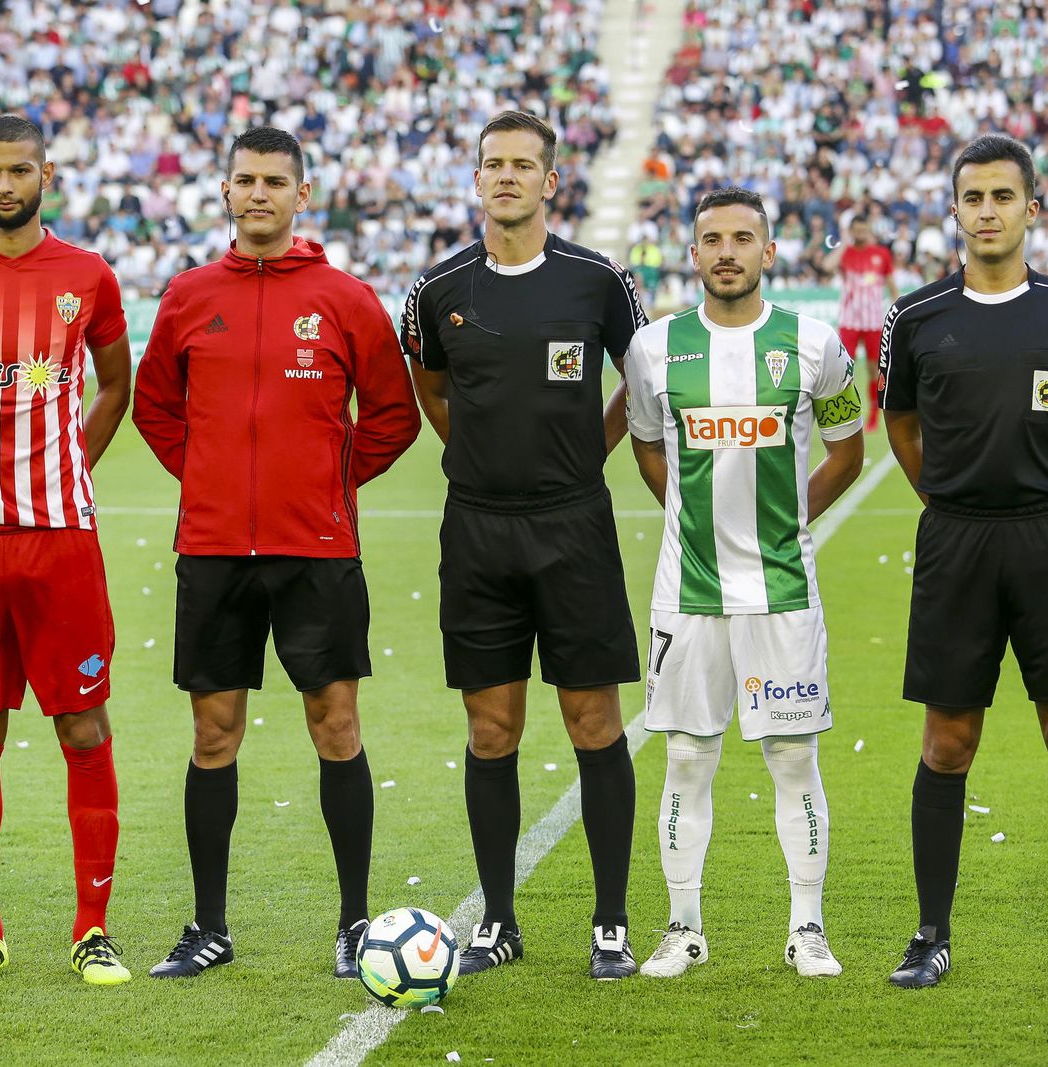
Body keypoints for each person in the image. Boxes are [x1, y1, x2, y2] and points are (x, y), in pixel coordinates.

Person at [133, 126, 421, 980]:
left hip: (316, 550)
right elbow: (155, 408)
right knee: (213, 732)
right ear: (225, 193)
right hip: (215, 547)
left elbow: (392, 416)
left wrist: (327, 486)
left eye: (274, 182)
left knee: (335, 724)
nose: (258, 194)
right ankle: (208, 926)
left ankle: (354, 923)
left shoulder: (345, 297)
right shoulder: (188, 294)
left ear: (303, 195)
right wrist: (213, 479)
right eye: (244, 180)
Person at [880, 134, 1048, 989]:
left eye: (1002, 195)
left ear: (1034, 206)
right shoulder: (916, 318)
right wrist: (949, 504)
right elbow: (902, 429)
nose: (987, 211)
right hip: (954, 542)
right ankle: (930, 934)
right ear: (952, 210)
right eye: (972, 197)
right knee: (948, 741)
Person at [400, 110, 649, 980]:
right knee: (492, 725)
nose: (506, 177)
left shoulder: (598, 282)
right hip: (476, 529)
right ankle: (498, 920)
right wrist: (471, 451)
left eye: (523, 166)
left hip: (574, 525)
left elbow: (642, 378)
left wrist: (593, 448)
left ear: (552, 183)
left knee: (592, 719)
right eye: (492, 165)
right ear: (476, 180)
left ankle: (611, 921)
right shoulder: (438, 291)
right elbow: (431, 386)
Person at [610, 187, 864, 980]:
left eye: (742, 238)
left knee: (793, 757)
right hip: (685, 593)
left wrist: (790, 523)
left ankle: (808, 929)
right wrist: (685, 516)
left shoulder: (814, 343)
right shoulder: (653, 349)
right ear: (692, 253)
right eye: (712, 239)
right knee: (685, 755)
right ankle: (684, 929)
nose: (727, 251)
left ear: (769, 251)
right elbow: (646, 446)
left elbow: (848, 447)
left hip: (783, 592)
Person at [0, 115, 134, 987]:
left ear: (49, 173)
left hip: (61, 537)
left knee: (82, 721)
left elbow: (114, 380)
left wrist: (70, 461)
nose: (4, 185)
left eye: (19, 170)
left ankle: (92, 926)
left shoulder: (88, 276)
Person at [827, 214, 896, 431]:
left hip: (874, 322)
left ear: (869, 229)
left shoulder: (881, 254)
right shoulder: (845, 253)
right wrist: (844, 243)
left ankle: (874, 414)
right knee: (844, 369)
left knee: (874, 369)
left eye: (863, 229)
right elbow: (827, 267)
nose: (860, 233)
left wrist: (896, 310)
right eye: (855, 230)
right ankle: (845, 412)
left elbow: (892, 286)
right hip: (849, 321)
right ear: (851, 231)